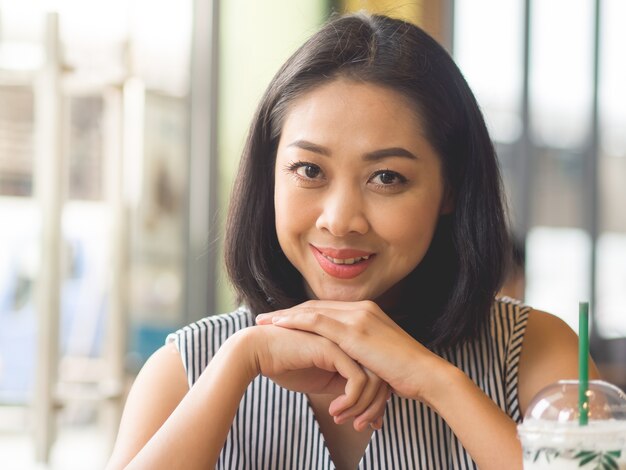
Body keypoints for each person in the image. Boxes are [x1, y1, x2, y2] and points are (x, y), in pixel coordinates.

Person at [106, 12, 599, 470]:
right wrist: (241, 362)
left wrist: (435, 380)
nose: (340, 221)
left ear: (451, 188)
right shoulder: (188, 367)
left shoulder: (535, 353)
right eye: (309, 170)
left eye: (386, 177)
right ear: (269, 175)